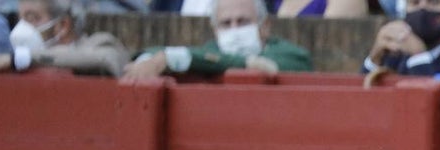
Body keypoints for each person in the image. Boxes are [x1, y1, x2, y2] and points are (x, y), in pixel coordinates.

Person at [122, 0, 312, 80]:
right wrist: (150, 59)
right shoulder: (210, 50)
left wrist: (176, 59)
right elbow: (155, 52)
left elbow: (297, 62)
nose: (234, 29)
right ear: (215, 30)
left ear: (265, 26)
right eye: (226, 23)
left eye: (243, 21)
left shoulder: (289, 54)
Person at [0, 0, 130, 77]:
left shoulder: (99, 43)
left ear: (63, 25)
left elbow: (106, 58)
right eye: (20, 19)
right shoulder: (18, 61)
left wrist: (21, 58)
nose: (23, 27)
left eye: (32, 18)